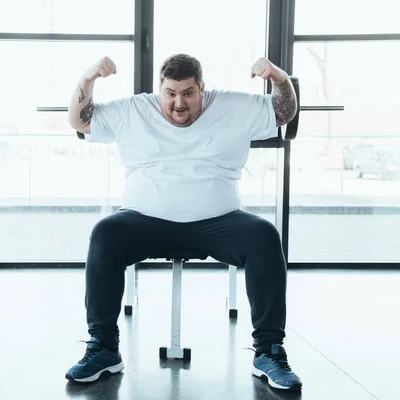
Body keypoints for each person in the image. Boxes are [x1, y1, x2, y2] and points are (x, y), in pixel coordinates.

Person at [65, 53, 302, 391]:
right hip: (144, 220)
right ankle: (103, 348)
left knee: (263, 234)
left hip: (219, 221)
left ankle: (269, 352)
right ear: (159, 89)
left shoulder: (232, 107)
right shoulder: (134, 109)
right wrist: (87, 79)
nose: (179, 103)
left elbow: (283, 112)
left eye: (188, 93)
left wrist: (280, 79)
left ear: (201, 89)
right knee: (106, 232)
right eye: (170, 93)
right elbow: (80, 121)